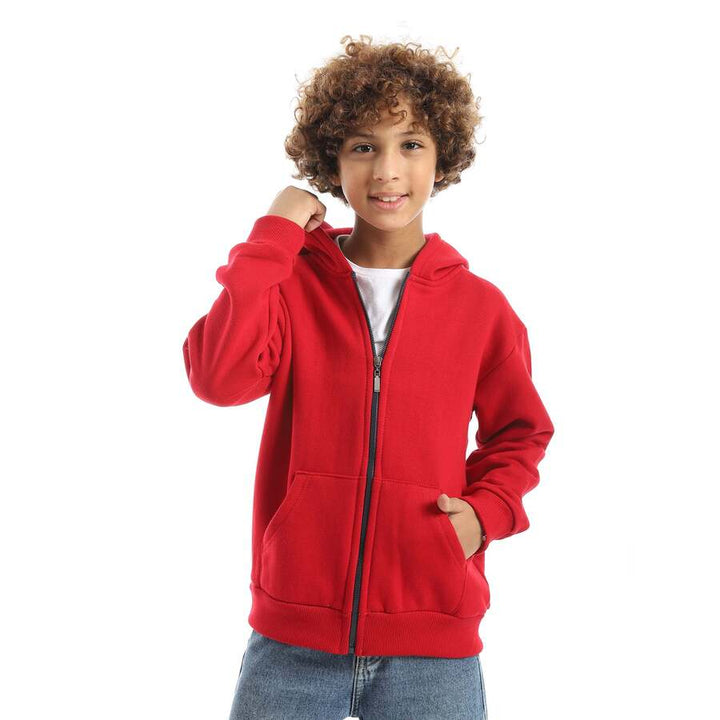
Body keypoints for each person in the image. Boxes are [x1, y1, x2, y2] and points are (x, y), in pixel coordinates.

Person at [182, 34, 554, 720]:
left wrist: (485, 515)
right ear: (332, 159)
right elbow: (218, 376)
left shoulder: (481, 309)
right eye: (363, 146)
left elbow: (521, 432)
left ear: (442, 157)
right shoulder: (290, 284)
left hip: (433, 647)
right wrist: (274, 233)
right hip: (291, 642)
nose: (387, 170)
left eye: (410, 144)